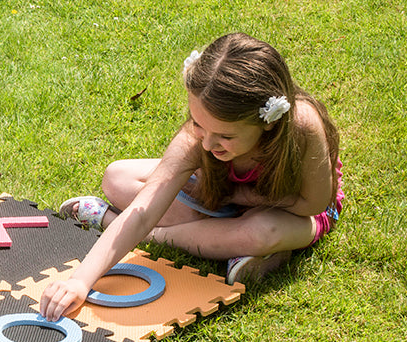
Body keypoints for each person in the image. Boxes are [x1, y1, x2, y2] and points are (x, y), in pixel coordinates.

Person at [40, 33, 343, 321]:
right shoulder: (198, 140)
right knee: (118, 178)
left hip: (291, 211)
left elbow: (312, 204)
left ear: (266, 122)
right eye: (198, 124)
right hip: (223, 198)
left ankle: (187, 239)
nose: (208, 145)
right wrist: (80, 281)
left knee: (262, 232)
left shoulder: (301, 127)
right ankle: (234, 245)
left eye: (225, 136)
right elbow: (142, 212)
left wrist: (242, 197)